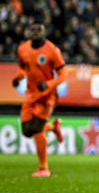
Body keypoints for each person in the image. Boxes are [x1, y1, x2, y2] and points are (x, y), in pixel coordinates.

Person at [12, 18, 68, 177]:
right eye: (33, 29)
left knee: (36, 129)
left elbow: (63, 74)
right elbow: (23, 68)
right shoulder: (23, 49)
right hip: (30, 94)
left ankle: (43, 168)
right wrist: (19, 78)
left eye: (39, 29)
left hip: (47, 96)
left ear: (44, 32)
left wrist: (49, 84)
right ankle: (53, 127)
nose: (35, 32)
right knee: (26, 131)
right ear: (29, 32)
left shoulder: (52, 50)